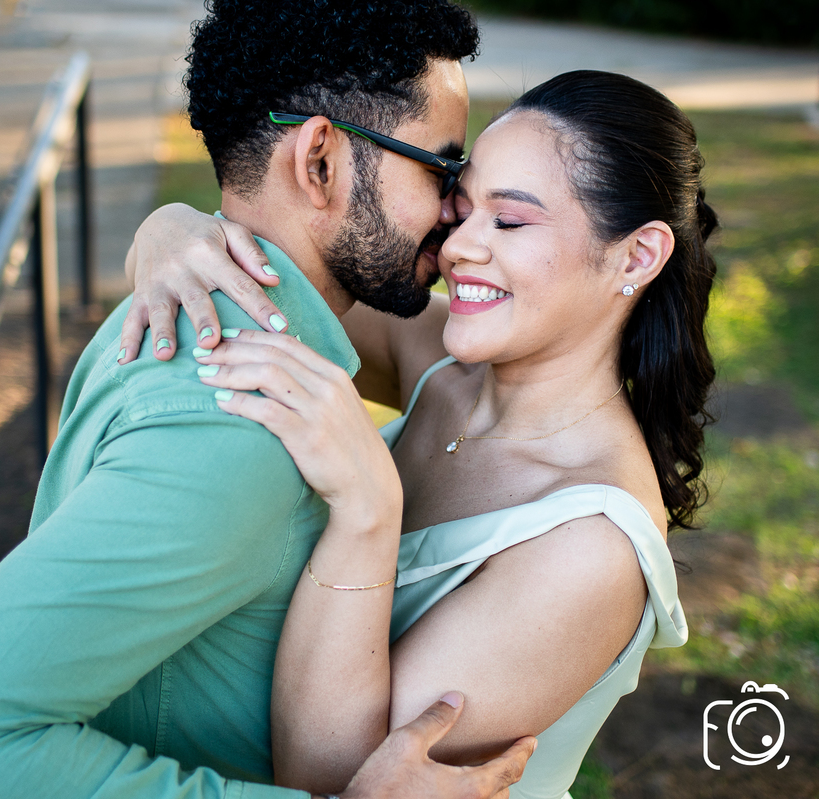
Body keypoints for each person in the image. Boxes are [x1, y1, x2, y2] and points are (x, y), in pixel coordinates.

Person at [0, 2, 535, 798]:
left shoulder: (220, 317)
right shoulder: (232, 424)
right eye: (442, 169)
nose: (458, 210)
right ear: (320, 160)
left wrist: (166, 224)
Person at [122, 69, 711, 797]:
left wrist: (368, 510)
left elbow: (325, 774)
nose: (459, 247)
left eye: (510, 220)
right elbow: (272, 277)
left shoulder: (590, 546)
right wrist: (172, 230)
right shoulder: (441, 362)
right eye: (461, 210)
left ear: (638, 255)